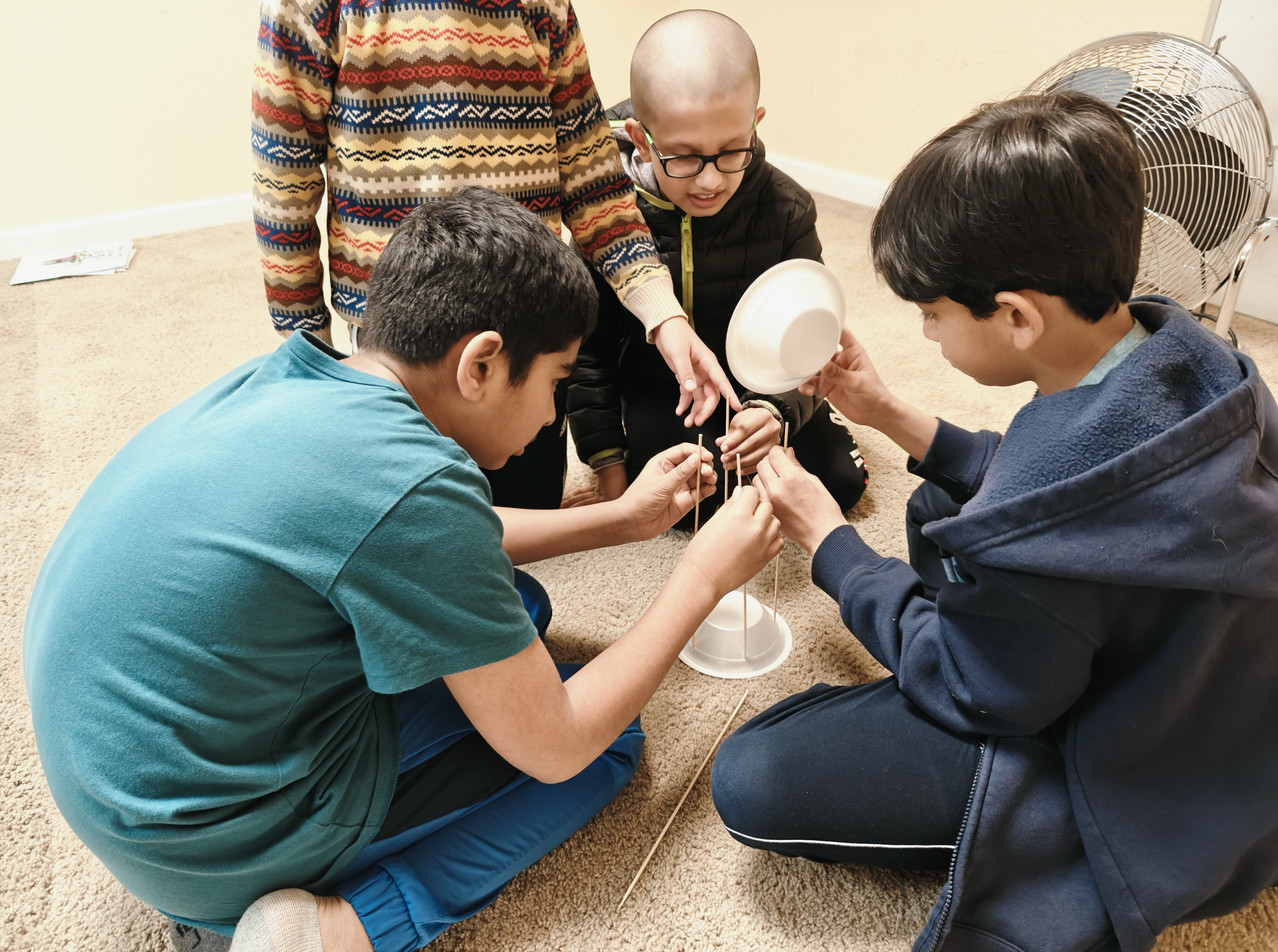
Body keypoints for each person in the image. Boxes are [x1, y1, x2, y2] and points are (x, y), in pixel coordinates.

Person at [23, 188, 781, 952]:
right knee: (605, 743)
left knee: (515, 606)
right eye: (554, 382)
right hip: (209, 841)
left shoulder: (296, 378)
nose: (555, 417)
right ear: (481, 363)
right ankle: (340, 930)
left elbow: (413, 532)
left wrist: (622, 520)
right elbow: (556, 742)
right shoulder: (417, 485)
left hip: (116, 776)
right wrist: (702, 579)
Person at [709, 92, 1278, 951]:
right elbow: (1056, 491)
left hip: (1149, 780)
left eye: (933, 315)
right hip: (1215, 699)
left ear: (1016, 316)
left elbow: (982, 686)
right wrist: (890, 411)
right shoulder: (1197, 357)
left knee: (752, 774)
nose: (927, 333)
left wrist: (831, 543)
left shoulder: (1044, 511)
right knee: (945, 504)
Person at [250, 0, 740, 510]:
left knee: (527, 518)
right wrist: (311, 356)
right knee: (408, 530)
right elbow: (283, 188)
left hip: (530, 341)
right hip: (404, 346)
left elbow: (594, 180)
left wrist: (664, 316)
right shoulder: (310, 8)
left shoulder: (545, 9)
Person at [564, 10, 868, 522]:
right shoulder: (607, 222)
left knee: (839, 484)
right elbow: (586, 357)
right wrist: (609, 468)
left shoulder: (787, 207)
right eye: (683, 157)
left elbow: (815, 337)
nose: (709, 182)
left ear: (755, 123)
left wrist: (776, 413)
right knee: (682, 503)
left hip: (767, 377)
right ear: (640, 139)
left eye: (731, 151)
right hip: (663, 385)